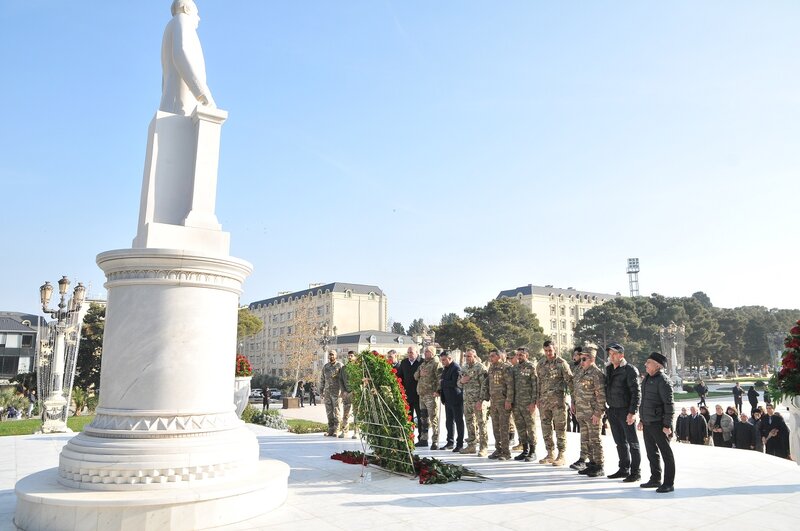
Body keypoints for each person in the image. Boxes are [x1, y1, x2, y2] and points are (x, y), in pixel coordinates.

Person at [160, 0, 216, 115]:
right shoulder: (183, 19)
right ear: (187, 9)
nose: (199, 18)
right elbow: (180, 54)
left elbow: (164, 77)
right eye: (197, 13)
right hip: (181, 106)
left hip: (170, 103)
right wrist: (203, 94)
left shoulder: (170, 26)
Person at [638, 352, 675, 493]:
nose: (645, 365)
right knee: (651, 452)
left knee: (666, 454)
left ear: (657, 365)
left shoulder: (663, 381)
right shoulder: (647, 379)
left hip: (659, 424)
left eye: (648, 362)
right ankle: (655, 479)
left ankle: (668, 483)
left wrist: (667, 425)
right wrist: (642, 419)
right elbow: (645, 402)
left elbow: (669, 404)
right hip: (648, 422)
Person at [604, 342, 642, 483]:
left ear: (621, 355)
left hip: (626, 410)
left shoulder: (629, 370)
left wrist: (632, 412)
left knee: (632, 442)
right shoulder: (609, 369)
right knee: (619, 442)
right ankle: (623, 469)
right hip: (613, 410)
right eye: (610, 353)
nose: (611, 356)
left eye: (614, 353)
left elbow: (636, 393)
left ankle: (635, 472)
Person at [537, 340, 573, 466]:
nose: (548, 353)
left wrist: (573, 400)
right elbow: (538, 383)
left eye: (550, 350)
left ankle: (561, 455)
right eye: (546, 350)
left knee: (560, 428)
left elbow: (570, 382)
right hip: (544, 402)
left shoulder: (562, 363)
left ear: (555, 349)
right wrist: (537, 399)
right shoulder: (540, 364)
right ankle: (550, 453)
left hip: (558, 402)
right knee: (545, 427)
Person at [571, 345, 606, 477]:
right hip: (581, 412)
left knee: (595, 440)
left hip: (592, 414)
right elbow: (575, 389)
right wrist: (573, 403)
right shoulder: (580, 371)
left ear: (592, 359)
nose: (581, 362)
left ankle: (599, 465)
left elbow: (601, 396)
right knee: (586, 440)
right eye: (581, 359)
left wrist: (598, 413)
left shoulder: (596, 374)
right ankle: (591, 464)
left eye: (584, 359)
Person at [459, 349, 489, 456]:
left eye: (469, 356)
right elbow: (458, 383)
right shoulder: (464, 368)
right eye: (466, 356)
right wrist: (461, 381)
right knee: (470, 423)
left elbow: (485, 386)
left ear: (475, 356)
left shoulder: (481, 368)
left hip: (478, 401)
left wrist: (481, 401)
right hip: (467, 401)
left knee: (481, 424)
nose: (467, 358)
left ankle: (483, 447)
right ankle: (471, 446)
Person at [511, 347, 539, 462]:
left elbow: (535, 385)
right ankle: (525, 450)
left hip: (528, 403)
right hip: (517, 403)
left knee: (531, 427)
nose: (519, 357)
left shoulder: (531, 367)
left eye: (521, 355)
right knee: (520, 427)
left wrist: (533, 402)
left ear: (526, 355)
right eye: (518, 355)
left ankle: (533, 452)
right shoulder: (515, 368)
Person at [487, 349, 514, 460]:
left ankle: (506, 452)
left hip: (503, 402)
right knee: (495, 427)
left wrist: (509, 400)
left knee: (504, 427)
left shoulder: (506, 368)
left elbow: (510, 385)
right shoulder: (491, 368)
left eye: (492, 356)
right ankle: (498, 449)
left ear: (498, 356)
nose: (490, 358)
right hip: (494, 402)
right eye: (490, 356)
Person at [414, 346, 443, 449]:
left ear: (433, 353)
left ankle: (435, 441)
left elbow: (440, 378)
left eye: (427, 352)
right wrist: (419, 373)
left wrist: (438, 391)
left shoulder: (436, 364)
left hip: (431, 395)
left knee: (433, 418)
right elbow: (415, 376)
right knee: (423, 418)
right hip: (422, 394)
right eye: (425, 351)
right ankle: (424, 439)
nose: (425, 353)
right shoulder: (422, 364)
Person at [436, 351, 464, 451]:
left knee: (458, 421)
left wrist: (443, 382)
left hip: (456, 398)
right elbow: (442, 382)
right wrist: (439, 391)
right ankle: (450, 442)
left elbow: (455, 383)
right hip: (447, 399)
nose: (442, 362)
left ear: (449, 358)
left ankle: (460, 444)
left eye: (444, 360)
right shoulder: (445, 369)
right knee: (449, 421)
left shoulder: (456, 368)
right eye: (441, 360)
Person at [397, 346, 422, 443]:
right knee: (408, 417)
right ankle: (409, 437)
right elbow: (400, 377)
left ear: (416, 353)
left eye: (411, 352)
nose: (409, 354)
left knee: (420, 418)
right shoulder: (404, 362)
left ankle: (421, 438)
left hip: (418, 395)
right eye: (408, 352)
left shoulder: (422, 362)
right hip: (407, 395)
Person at [320, 350, 345, 437]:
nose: (331, 356)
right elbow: (322, 379)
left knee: (337, 411)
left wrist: (343, 391)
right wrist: (321, 391)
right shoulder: (325, 367)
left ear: (336, 356)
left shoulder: (340, 366)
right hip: (327, 392)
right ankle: (330, 429)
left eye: (333, 355)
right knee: (329, 411)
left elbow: (343, 379)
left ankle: (337, 430)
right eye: (330, 355)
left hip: (337, 392)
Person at [339, 351, 356, 438]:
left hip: (355, 393)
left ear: (355, 357)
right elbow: (341, 380)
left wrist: (355, 390)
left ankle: (356, 432)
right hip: (346, 393)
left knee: (356, 413)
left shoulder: (358, 368)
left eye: (351, 356)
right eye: (348, 356)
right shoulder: (344, 368)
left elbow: (360, 380)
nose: (349, 357)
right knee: (345, 413)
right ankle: (344, 431)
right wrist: (343, 391)